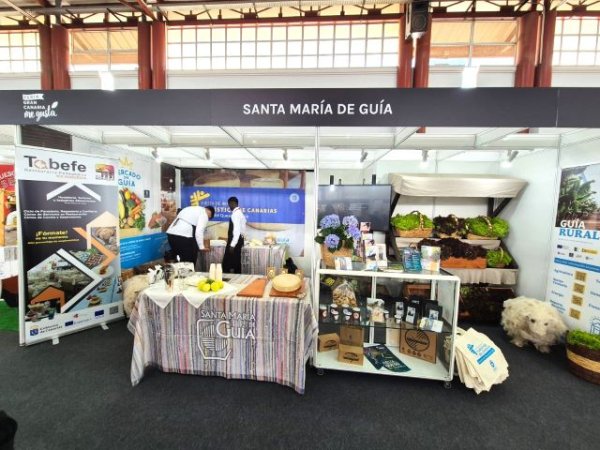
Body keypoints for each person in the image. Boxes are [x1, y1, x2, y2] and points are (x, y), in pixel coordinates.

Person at [222, 197, 247, 274]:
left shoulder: (235, 214)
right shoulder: (240, 213)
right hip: (239, 240)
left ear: (232, 203)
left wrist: (232, 244)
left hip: (235, 240)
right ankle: (237, 279)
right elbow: (242, 229)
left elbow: (236, 230)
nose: (229, 206)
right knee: (236, 261)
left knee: (226, 263)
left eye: (229, 204)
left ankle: (226, 279)